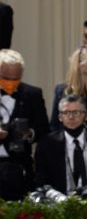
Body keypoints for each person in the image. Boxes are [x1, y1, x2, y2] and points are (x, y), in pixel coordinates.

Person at [0, 49, 49, 200]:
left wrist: (28, 134)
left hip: (19, 168)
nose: (11, 83)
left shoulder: (32, 94)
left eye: (16, 79)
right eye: (6, 78)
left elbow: (43, 128)